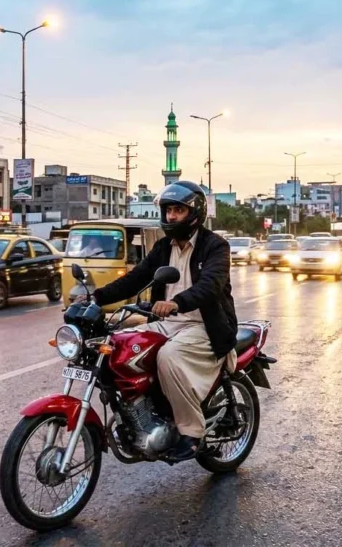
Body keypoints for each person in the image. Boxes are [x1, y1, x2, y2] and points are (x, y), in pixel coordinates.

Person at [87, 181, 237, 461]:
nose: (171, 217)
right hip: (168, 324)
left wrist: (177, 302)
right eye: (168, 210)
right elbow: (135, 279)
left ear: (194, 212)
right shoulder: (163, 246)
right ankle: (142, 414)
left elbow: (211, 286)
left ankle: (191, 433)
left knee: (167, 356)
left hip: (205, 326)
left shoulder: (215, 246)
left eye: (178, 210)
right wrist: (95, 299)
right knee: (119, 346)